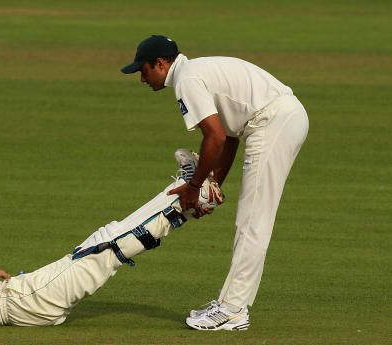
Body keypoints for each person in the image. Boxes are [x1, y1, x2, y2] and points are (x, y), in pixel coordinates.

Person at [0, 158, 229, 328]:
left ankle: (185, 198)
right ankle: (189, 196)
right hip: (23, 302)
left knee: (105, 241)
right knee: (107, 250)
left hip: (24, 293)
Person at [121, 35, 309, 331]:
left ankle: (233, 310)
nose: (141, 78)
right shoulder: (193, 72)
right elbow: (229, 137)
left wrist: (195, 187)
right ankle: (230, 304)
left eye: (142, 70)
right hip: (277, 118)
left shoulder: (187, 79)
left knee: (252, 221)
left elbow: (215, 137)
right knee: (251, 220)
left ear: (160, 63)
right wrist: (212, 186)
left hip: (273, 122)